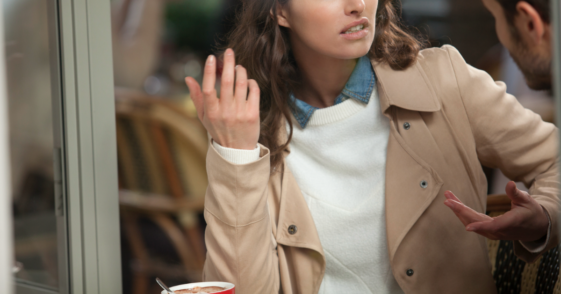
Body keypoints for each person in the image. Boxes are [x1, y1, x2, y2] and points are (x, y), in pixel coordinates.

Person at [184, 0, 559, 293]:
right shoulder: (253, 134)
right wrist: (236, 158)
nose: (357, 6)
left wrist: (544, 216)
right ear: (279, 10)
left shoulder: (446, 82)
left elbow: (553, 161)